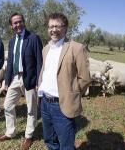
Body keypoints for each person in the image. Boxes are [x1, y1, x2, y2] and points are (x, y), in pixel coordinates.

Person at [37, 13, 91, 150]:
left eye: (56, 26)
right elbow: (44, 72)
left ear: (65, 28)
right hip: (45, 103)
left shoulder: (76, 48)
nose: (53, 30)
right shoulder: (46, 49)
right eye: (50, 27)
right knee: (50, 141)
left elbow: (84, 78)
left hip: (62, 105)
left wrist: (72, 94)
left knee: (66, 145)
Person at [0, 13, 43, 150]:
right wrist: (6, 80)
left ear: (24, 22)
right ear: (11, 25)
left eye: (20, 22)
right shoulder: (11, 41)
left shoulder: (33, 38)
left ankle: (28, 136)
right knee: (8, 105)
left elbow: (39, 61)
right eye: (15, 23)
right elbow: (10, 62)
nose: (18, 25)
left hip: (30, 78)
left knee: (31, 108)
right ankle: (10, 132)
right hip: (15, 77)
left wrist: (39, 80)